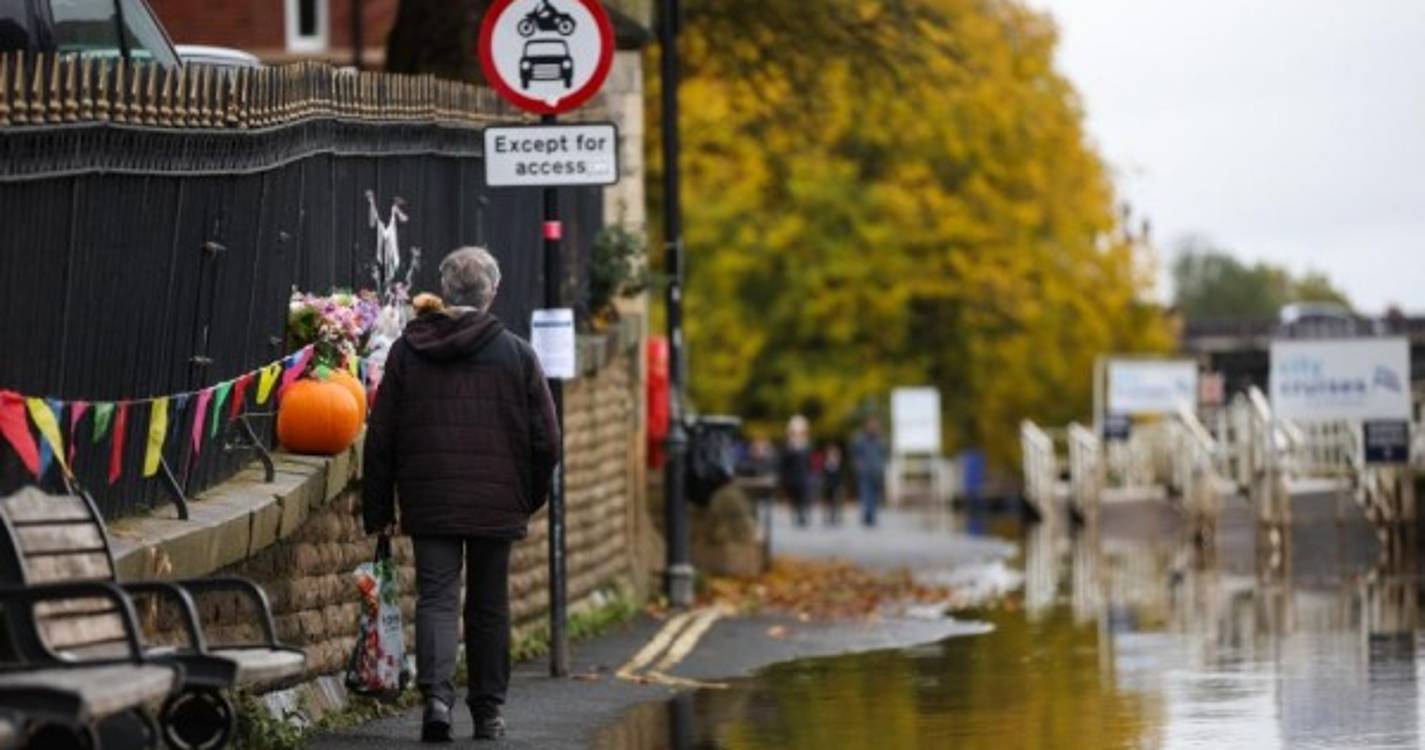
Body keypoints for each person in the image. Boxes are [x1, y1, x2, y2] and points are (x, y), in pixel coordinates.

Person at [363, 246, 559, 743]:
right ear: (492, 293)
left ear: (445, 292)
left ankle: (436, 701)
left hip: (431, 501)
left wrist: (379, 509)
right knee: (489, 605)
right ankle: (489, 713)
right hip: (498, 501)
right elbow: (547, 441)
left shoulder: (409, 351)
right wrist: (526, 497)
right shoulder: (517, 353)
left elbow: (381, 435)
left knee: (436, 598)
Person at [851, 417, 887, 527]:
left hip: (876, 471)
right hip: (865, 471)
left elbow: (883, 454)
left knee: (874, 495)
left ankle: (871, 515)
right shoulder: (860, 440)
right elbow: (856, 454)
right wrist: (858, 465)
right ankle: (868, 515)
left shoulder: (880, 440)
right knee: (865, 494)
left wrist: (881, 466)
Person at [780, 415, 814, 527]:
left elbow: (810, 462)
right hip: (792, 477)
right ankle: (797, 514)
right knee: (795, 498)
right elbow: (785, 463)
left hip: (804, 476)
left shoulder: (807, 445)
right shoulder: (789, 446)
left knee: (804, 497)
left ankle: (802, 515)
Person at [821, 443, 845, 525]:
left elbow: (840, 477)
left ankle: (836, 516)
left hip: (836, 486)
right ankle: (827, 516)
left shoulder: (838, 465)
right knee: (828, 502)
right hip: (828, 486)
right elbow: (824, 475)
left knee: (836, 501)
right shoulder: (826, 464)